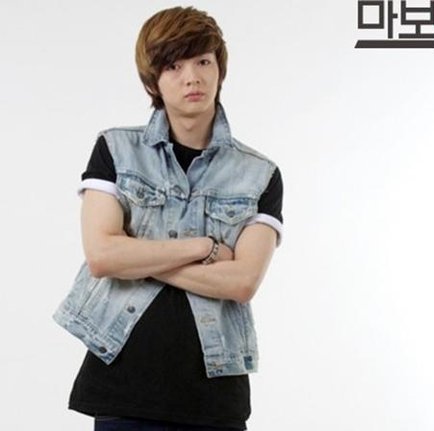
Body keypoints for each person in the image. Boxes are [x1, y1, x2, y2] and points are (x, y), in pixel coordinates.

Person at [53, 6, 283, 431]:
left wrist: (136, 257)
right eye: (174, 66)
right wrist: (205, 248)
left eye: (203, 62)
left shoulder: (258, 174)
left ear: (219, 69)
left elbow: (242, 282)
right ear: (152, 82)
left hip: (214, 397)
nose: (192, 77)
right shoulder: (116, 150)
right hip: (122, 387)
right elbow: (102, 256)